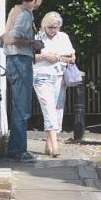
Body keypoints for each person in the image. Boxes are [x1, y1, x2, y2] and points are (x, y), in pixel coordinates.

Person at [2, 0, 44, 161]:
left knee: (19, 105)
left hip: (16, 61)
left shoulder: (16, 10)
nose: (40, 1)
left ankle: (17, 147)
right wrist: (33, 44)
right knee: (21, 105)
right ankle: (18, 150)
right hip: (19, 61)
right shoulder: (25, 14)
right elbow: (11, 38)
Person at [33, 11, 76, 157]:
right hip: (41, 76)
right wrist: (45, 56)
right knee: (49, 109)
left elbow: (72, 57)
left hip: (59, 76)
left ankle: (48, 145)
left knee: (57, 110)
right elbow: (31, 57)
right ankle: (55, 146)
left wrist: (58, 58)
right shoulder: (37, 37)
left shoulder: (63, 37)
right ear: (44, 26)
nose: (53, 30)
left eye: (56, 27)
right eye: (50, 27)